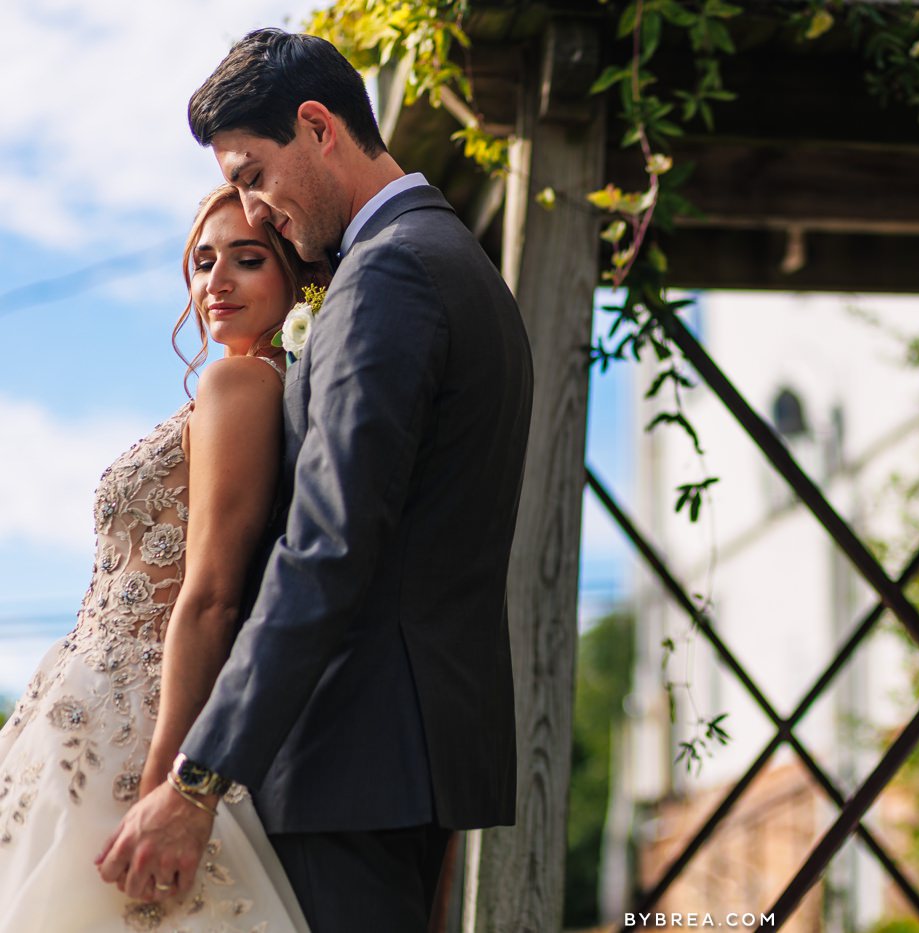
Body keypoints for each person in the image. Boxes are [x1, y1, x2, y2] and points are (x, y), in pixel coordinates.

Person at [96, 27, 534, 932]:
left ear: (318, 126)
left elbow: (328, 545)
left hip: (352, 761)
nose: (253, 211)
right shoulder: (453, 261)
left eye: (254, 174)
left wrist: (199, 775)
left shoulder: (391, 275)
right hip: (405, 760)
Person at [0, 183, 321, 931]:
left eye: (248, 259)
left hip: (136, 724)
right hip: (90, 712)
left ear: (294, 278)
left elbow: (210, 593)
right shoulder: (249, 383)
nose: (218, 281)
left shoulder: (239, 380)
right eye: (204, 260)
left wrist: (165, 784)